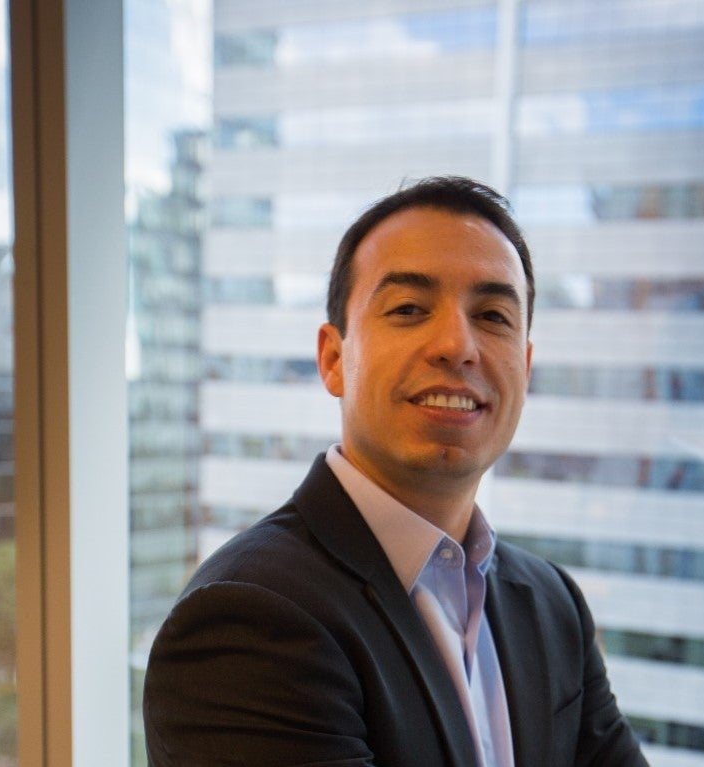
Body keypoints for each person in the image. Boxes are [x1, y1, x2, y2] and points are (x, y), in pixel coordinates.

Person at [143, 176, 649, 767]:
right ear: (334, 359)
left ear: (527, 366)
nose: (458, 345)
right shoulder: (247, 618)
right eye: (409, 309)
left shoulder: (552, 605)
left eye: (492, 315)